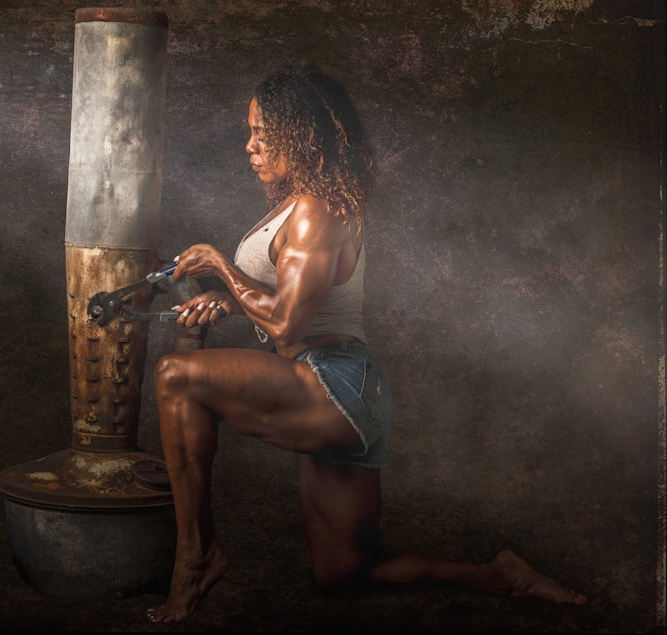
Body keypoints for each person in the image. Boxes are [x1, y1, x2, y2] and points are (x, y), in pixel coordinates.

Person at [145, 62, 588, 624]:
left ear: (297, 131)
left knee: (175, 377)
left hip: (333, 381)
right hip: (342, 389)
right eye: (248, 132)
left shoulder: (316, 209)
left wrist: (218, 265)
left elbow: (286, 326)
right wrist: (231, 299)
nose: (250, 146)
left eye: (261, 131)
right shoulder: (305, 202)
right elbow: (290, 300)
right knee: (342, 574)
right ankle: (500, 576)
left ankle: (197, 557)